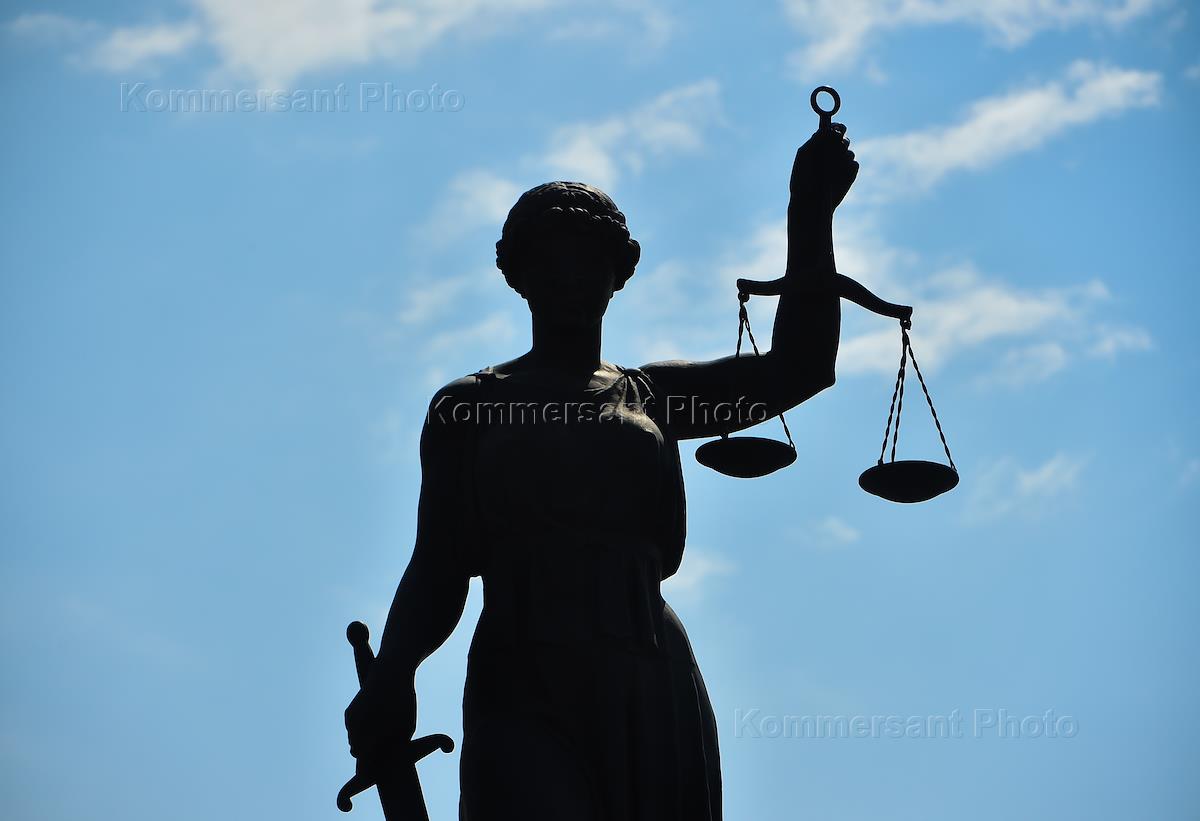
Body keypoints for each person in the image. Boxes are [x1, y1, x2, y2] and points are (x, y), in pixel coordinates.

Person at [344, 121, 859, 820]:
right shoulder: (470, 406)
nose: (569, 276)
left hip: (648, 671)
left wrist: (811, 208)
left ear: (622, 270)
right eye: (549, 259)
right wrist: (395, 672)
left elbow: (800, 367)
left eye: (587, 258)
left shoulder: (655, 397)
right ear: (515, 273)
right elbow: (438, 563)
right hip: (521, 675)